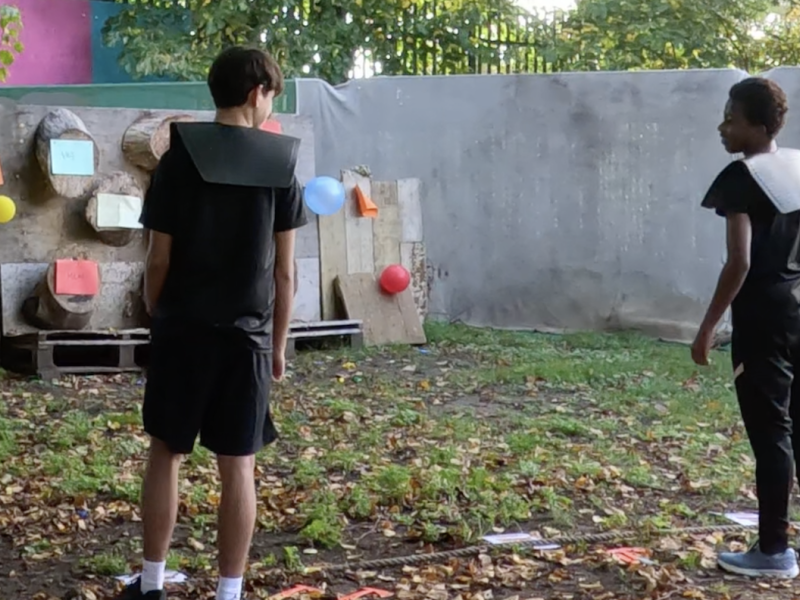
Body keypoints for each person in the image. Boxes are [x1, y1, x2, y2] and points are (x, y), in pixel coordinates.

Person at [115, 46, 308, 600]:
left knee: (165, 452)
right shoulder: (281, 164)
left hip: (183, 330)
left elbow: (157, 257)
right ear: (257, 93)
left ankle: (151, 584)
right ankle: (229, 593)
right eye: (273, 92)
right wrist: (276, 346)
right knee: (238, 465)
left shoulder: (179, 158)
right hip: (246, 337)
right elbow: (286, 273)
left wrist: (159, 310)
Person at [693, 76, 800, 579]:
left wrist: (708, 325)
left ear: (757, 127)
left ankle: (774, 550)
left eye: (732, 118)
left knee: (771, 432)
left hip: (762, 320)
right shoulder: (796, 168)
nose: (723, 126)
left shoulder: (742, 179)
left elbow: (739, 263)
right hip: (797, 309)